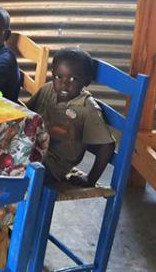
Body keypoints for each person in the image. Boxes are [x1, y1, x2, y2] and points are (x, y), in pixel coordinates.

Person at [26, 48, 115, 186]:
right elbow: (26, 112)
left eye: (73, 79)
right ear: (53, 74)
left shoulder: (88, 110)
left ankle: (7, 205)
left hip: (51, 167)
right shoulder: (47, 89)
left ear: (86, 81)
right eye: (58, 77)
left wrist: (90, 179)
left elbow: (107, 146)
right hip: (31, 149)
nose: (64, 84)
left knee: (11, 173)